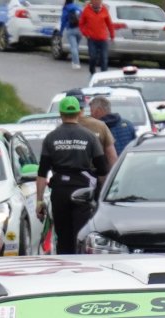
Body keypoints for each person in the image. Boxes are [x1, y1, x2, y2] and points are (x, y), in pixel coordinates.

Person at [36, 96, 106, 254]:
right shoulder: (90, 137)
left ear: (61, 113)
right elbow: (102, 169)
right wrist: (101, 194)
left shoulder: (51, 138)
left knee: (63, 236)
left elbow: (42, 173)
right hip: (83, 192)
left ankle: (65, 266)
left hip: (59, 190)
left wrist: (39, 201)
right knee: (81, 235)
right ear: (79, 113)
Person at [74, 97, 119, 173]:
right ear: (83, 106)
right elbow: (112, 156)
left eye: (91, 111)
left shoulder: (57, 131)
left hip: (68, 177)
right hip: (97, 175)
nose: (91, 114)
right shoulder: (100, 126)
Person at [79, 0, 115, 76]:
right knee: (93, 57)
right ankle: (92, 71)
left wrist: (112, 35)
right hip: (92, 39)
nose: (98, 5)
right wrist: (85, 33)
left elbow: (109, 24)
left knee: (104, 58)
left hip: (103, 39)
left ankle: (103, 75)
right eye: (96, 3)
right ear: (92, 3)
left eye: (99, 3)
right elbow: (81, 24)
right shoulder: (87, 10)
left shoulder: (104, 10)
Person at [58, 0, 82, 68]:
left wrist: (61, 31)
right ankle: (74, 61)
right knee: (76, 47)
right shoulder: (78, 7)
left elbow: (63, 20)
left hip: (71, 29)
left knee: (73, 47)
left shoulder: (66, 8)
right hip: (80, 30)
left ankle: (76, 63)